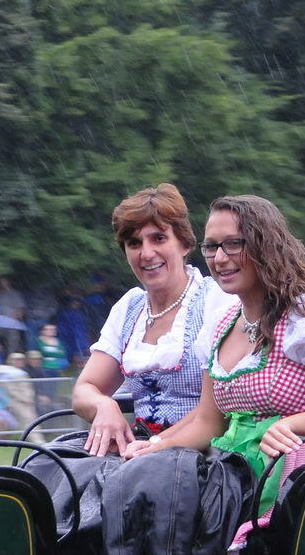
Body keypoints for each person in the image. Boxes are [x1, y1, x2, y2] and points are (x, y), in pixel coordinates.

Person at [122, 195, 305, 555]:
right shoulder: (221, 323)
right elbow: (208, 422)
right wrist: (154, 448)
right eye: (212, 246)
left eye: (233, 244)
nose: (219, 258)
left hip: (299, 466)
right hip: (236, 467)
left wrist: (295, 424)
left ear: (266, 245)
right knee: (150, 499)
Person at [72, 183, 236, 457]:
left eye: (158, 238)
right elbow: (85, 390)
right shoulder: (129, 308)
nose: (146, 254)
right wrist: (105, 406)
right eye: (134, 243)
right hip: (140, 450)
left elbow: (222, 406)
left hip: (203, 451)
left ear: (184, 243)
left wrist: (158, 445)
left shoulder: (217, 300)